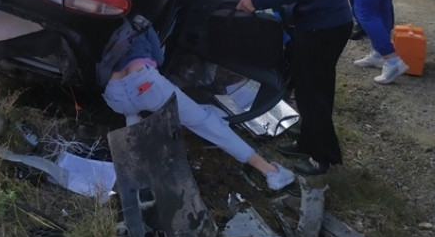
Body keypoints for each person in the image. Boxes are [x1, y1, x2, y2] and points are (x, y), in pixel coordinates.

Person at [235, 0, 352, 176]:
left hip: (321, 26)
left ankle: (321, 157)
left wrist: (256, 0)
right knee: (309, 86)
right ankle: (308, 142)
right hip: (323, 21)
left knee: (314, 92)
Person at [102, 22, 295, 191]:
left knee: (133, 113)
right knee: (206, 122)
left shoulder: (111, 30)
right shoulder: (142, 24)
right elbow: (160, 60)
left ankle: (138, 164)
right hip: (147, 86)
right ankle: (271, 172)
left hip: (115, 97)